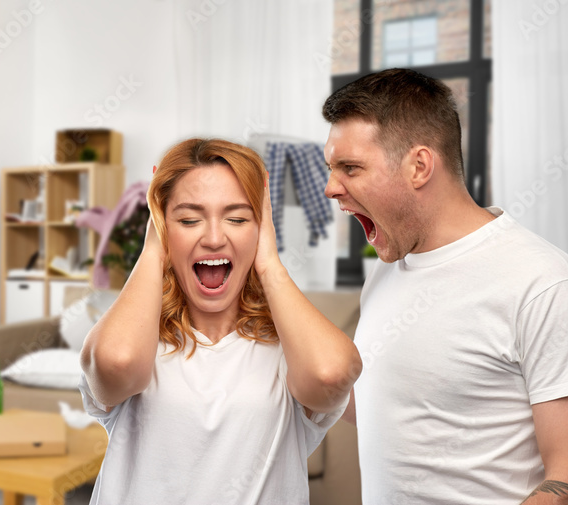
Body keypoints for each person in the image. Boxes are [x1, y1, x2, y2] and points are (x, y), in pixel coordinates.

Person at [322, 68, 568, 504]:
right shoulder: (388, 269)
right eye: (332, 168)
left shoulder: (547, 286)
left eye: (350, 168)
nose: (331, 188)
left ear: (419, 165)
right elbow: (391, 409)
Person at [79, 138, 362, 504]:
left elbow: (331, 374)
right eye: (189, 219)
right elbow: (116, 364)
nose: (214, 238)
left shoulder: (288, 351)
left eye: (238, 218)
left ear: (261, 229)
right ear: (164, 226)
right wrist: (153, 247)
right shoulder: (138, 338)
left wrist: (269, 263)